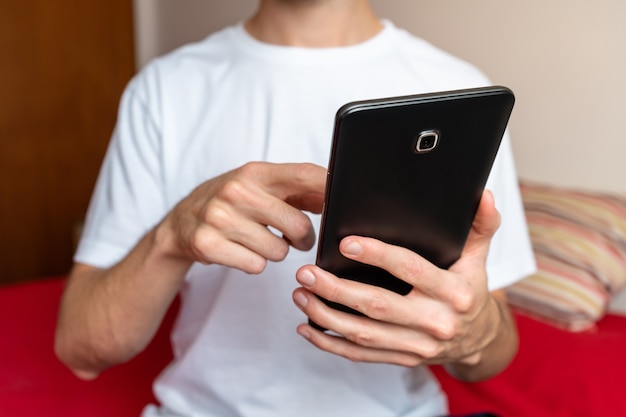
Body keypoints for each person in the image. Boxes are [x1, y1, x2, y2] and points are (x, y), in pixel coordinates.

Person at [55, 1, 536, 416]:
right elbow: (80, 347)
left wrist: (474, 332)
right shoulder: (163, 89)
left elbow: (494, 348)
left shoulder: (457, 89)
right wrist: (173, 234)